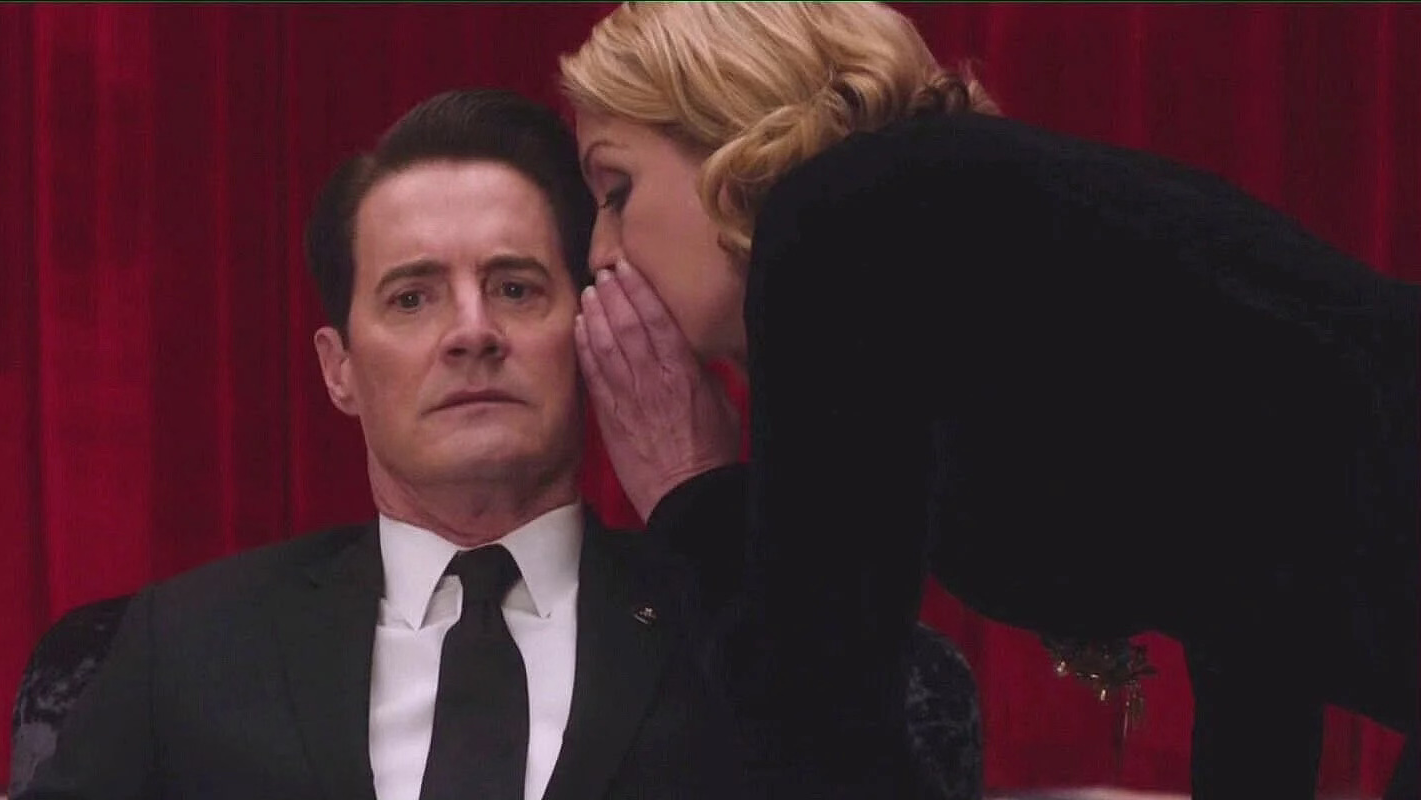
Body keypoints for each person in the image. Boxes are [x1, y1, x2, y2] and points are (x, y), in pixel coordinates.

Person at [557, 3, 1419, 799]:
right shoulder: (948, 210)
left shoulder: (837, 220)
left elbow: (815, 726)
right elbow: (1251, 560)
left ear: (729, 129)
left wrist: (691, 490)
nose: (600, 253)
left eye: (616, 191)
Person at [15, 87, 752, 800]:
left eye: (515, 288)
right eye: (412, 298)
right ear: (339, 368)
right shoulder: (190, 645)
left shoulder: (721, 614)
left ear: (593, 326)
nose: (472, 332)